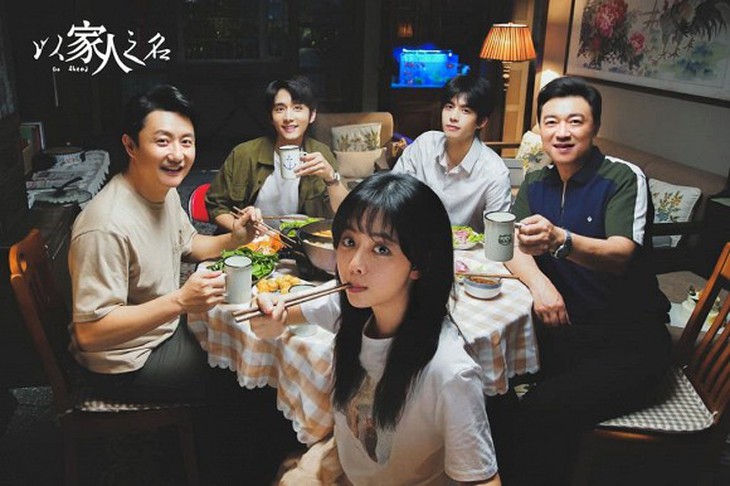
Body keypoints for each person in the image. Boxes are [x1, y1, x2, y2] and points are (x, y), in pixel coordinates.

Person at [251, 172, 501, 485]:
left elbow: (483, 480)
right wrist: (270, 314)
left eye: (381, 249)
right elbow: (281, 313)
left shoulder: (449, 373)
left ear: (419, 263)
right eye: (349, 242)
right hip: (348, 468)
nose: (354, 264)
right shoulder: (352, 309)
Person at [504, 76, 671, 485]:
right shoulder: (536, 182)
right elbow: (511, 246)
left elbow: (620, 255)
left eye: (575, 121)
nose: (562, 132)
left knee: (542, 410)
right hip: (564, 334)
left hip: (628, 343)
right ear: (539, 128)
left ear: (595, 126)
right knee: (486, 383)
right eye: (551, 122)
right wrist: (542, 286)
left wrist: (560, 240)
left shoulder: (621, 178)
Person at [68, 84, 262, 402]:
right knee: (243, 368)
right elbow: (90, 334)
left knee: (248, 344)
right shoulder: (105, 225)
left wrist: (236, 238)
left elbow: (190, 244)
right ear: (131, 146)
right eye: (162, 141)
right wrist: (181, 301)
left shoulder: (162, 191)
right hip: (127, 363)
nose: (177, 155)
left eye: (186, 142)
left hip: (162, 330)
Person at [206, 76, 348, 231]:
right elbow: (216, 206)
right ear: (271, 117)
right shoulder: (244, 154)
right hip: (249, 239)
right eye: (280, 109)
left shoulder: (321, 153)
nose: (288, 118)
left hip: (297, 239)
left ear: (312, 115)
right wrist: (243, 230)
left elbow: (344, 213)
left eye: (297, 108)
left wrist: (331, 178)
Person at [391, 74, 511, 232]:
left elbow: (498, 234)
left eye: (465, 110)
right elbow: (393, 192)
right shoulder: (424, 146)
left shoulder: (495, 172)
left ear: (481, 122)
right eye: (449, 107)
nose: (453, 117)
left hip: (469, 247)